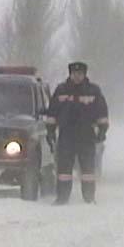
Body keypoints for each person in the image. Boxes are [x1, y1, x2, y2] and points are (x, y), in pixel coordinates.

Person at [46, 62, 109, 205]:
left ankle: (89, 198)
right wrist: (50, 132)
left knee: (88, 170)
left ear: (85, 74)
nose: (77, 76)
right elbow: (52, 113)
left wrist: (102, 131)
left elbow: (102, 113)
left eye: (80, 73)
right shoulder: (61, 90)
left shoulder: (93, 91)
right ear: (70, 74)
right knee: (63, 170)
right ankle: (62, 198)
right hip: (66, 135)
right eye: (74, 73)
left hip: (86, 135)